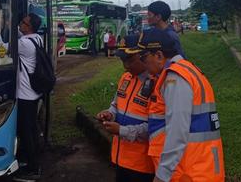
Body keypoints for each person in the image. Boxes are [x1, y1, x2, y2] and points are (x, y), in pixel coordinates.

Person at [137, 29, 224, 182]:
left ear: (159, 55)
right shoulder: (188, 69)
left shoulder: (175, 78)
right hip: (200, 165)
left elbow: (177, 130)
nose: (142, 64)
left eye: (143, 58)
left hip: (188, 171)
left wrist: (162, 175)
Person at [96, 35, 155, 182]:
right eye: (123, 60)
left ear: (143, 56)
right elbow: (116, 105)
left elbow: (157, 127)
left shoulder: (156, 84)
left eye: (130, 60)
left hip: (143, 164)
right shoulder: (125, 78)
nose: (126, 66)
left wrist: (121, 131)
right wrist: (109, 113)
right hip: (120, 158)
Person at [13, 13, 44, 182]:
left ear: (29, 27)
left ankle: (33, 168)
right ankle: (29, 161)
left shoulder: (24, 43)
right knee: (31, 129)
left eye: (23, 22)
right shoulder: (36, 39)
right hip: (33, 93)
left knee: (26, 131)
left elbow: (3, 47)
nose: (20, 24)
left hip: (25, 94)